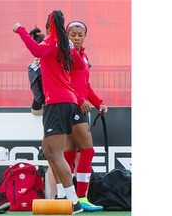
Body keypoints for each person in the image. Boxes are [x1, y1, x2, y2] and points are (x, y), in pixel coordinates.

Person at [13, 10, 86, 214]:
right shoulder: (63, 44)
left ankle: (74, 201)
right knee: (48, 149)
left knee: (55, 152)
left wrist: (20, 30)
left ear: (49, 26)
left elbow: (36, 51)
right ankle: (63, 195)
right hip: (64, 101)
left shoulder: (52, 41)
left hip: (58, 102)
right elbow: (80, 65)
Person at [51, 20, 108, 212]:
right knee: (87, 150)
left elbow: (85, 85)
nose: (76, 38)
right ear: (66, 35)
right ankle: (81, 197)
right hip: (71, 107)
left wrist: (98, 102)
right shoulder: (64, 56)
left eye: (79, 34)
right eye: (72, 34)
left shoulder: (83, 56)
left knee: (70, 151)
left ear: (85, 36)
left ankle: (68, 198)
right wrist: (79, 99)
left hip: (77, 107)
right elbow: (62, 83)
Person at [27, 28, 45, 115]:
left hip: (46, 102)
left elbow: (38, 96)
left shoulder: (32, 67)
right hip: (51, 102)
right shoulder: (34, 67)